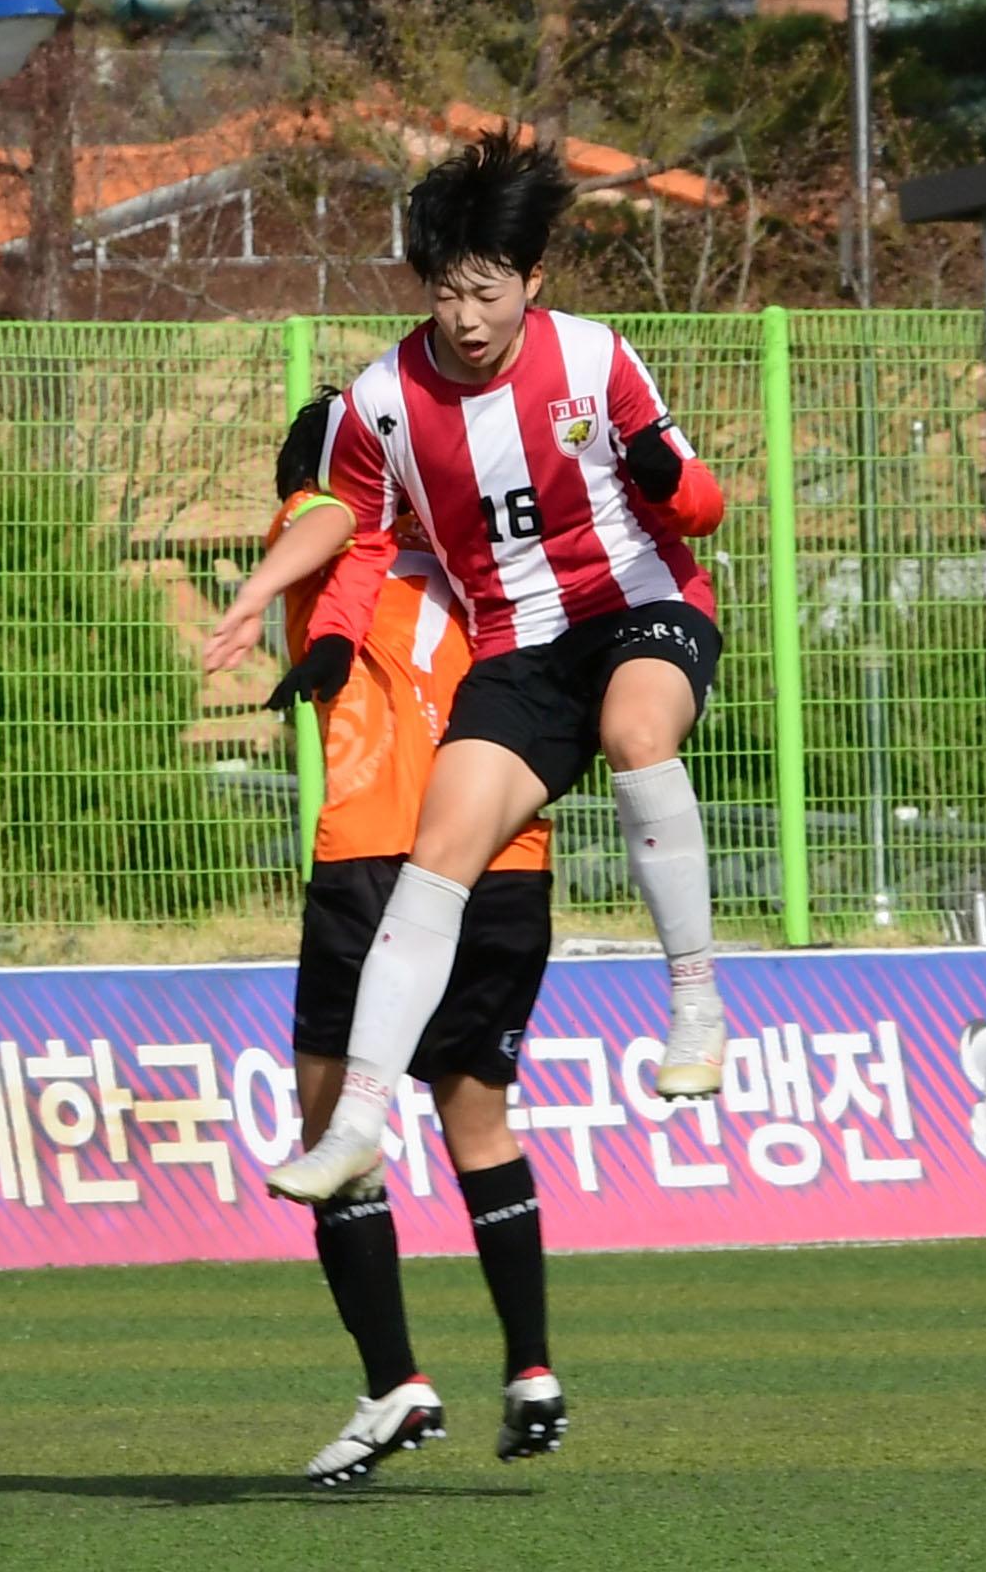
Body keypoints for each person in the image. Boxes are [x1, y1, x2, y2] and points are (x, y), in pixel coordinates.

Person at [203, 134, 729, 1206]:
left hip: (641, 606)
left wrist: (669, 478)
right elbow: (352, 529)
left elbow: (702, 507)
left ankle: (696, 1003)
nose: (468, 318)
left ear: (534, 280)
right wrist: (308, 623)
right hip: (520, 643)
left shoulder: (595, 359)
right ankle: (356, 1121)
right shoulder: (383, 398)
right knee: (437, 851)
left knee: (637, 734)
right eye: (448, 294)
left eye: (489, 292)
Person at [236, 396, 566, 1486]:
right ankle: (531, 1365)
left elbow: (329, 520)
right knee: (481, 1121)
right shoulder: (488, 555)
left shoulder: (333, 508)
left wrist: (256, 588)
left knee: (335, 1124)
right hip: (505, 859)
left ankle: (394, 1381)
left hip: (381, 853)